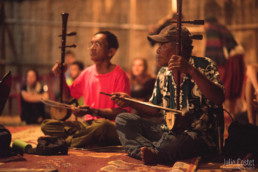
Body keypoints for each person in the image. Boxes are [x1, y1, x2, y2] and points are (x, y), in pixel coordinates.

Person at [112, 25, 225, 164]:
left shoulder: (205, 64)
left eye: (162, 45)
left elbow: (218, 98)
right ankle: (155, 152)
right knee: (123, 120)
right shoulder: (163, 72)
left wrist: (191, 71)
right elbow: (155, 109)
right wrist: (130, 101)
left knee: (175, 142)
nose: (157, 50)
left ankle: (156, 152)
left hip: (197, 137)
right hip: (167, 131)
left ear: (179, 49)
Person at [41, 31, 130, 148]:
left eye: (98, 44)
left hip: (108, 126)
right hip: (88, 125)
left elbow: (122, 113)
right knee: (47, 125)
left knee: (102, 126)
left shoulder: (119, 75)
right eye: (91, 44)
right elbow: (67, 97)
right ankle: (80, 139)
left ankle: (66, 142)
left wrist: (93, 111)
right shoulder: (87, 73)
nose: (92, 48)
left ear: (111, 52)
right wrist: (61, 75)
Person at [204, 17, 245, 116]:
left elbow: (213, 51)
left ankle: (226, 117)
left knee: (223, 88)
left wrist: (207, 65)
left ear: (207, 23)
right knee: (232, 90)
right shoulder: (221, 26)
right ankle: (233, 116)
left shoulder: (211, 29)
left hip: (228, 62)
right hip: (237, 59)